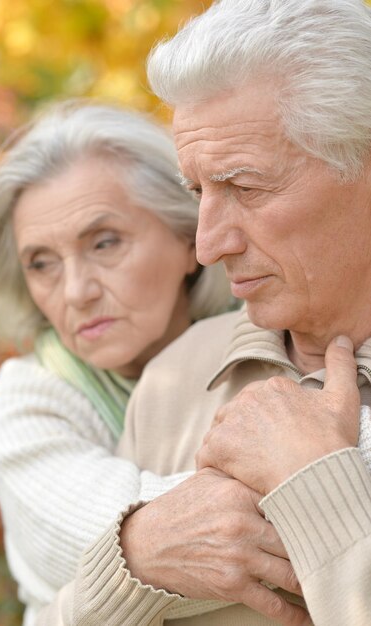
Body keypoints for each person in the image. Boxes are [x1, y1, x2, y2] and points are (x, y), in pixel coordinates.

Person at [35, 1, 371, 625]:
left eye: (245, 187)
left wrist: (318, 483)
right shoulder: (177, 373)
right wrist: (132, 563)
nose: (208, 245)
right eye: (199, 191)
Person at [0, 100, 233, 625]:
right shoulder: (21, 413)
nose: (76, 291)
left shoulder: (272, 331)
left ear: (189, 238)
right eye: (41, 263)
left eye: (104, 243)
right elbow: (214, 548)